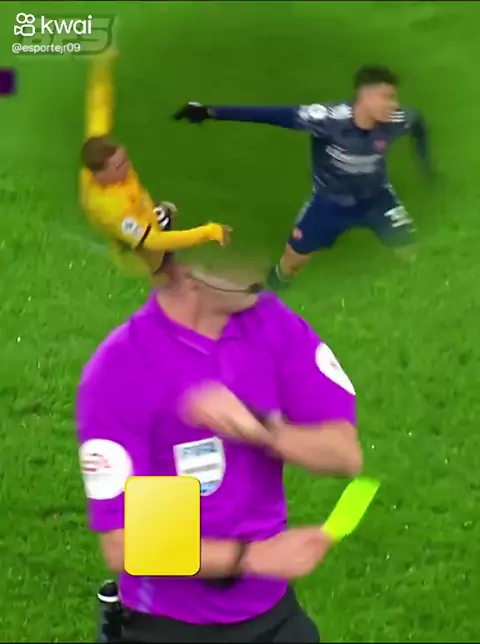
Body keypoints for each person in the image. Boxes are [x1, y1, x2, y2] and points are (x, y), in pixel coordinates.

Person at [76, 257, 363, 643]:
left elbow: (345, 455)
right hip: (170, 625)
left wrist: (265, 432)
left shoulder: (271, 325)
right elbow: (125, 544)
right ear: (191, 263)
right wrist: (252, 557)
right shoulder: (125, 369)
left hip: (273, 615)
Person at [173, 65, 432, 289]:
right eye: (387, 97)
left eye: (394, 97)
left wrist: (425, 165)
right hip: (329, 204)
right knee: (292, 264)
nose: (393, 104)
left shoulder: (397, 119)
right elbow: (272, 116)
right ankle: (275, 289)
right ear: (364, 95)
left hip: (378, 200)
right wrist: (210, 112)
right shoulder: (327, 119)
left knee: (413, 256)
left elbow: (417, 122)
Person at [80, 50, 230, 277]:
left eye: (125, 158)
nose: (127, 166)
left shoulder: (96, 153)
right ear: (100, 175)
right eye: (119, 166)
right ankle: (167, 270)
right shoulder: (111, 208)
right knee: (159, 258)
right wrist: (208, 232)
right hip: (144, 254)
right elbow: (154, 241)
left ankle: (160, 219)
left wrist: (101, 65)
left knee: (167, 211)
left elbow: (98, 109)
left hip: (141, 214)